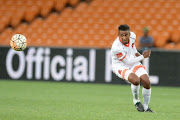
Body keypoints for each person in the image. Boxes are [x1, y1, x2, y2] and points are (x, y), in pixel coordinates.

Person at [111, 24, 154, 112]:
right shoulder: (116, 47)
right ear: (118, 35)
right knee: (135, 80)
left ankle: (146, 107)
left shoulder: (133, 36)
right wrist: (143, 56)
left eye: (126, 35)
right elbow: (127, 62)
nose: (124, 37)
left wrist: (137, 53)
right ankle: (136, 101)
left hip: (132, 60)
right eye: (121, 35)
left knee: (146, 81)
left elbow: (133, 48)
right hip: (120, 65)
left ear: (129, 34)